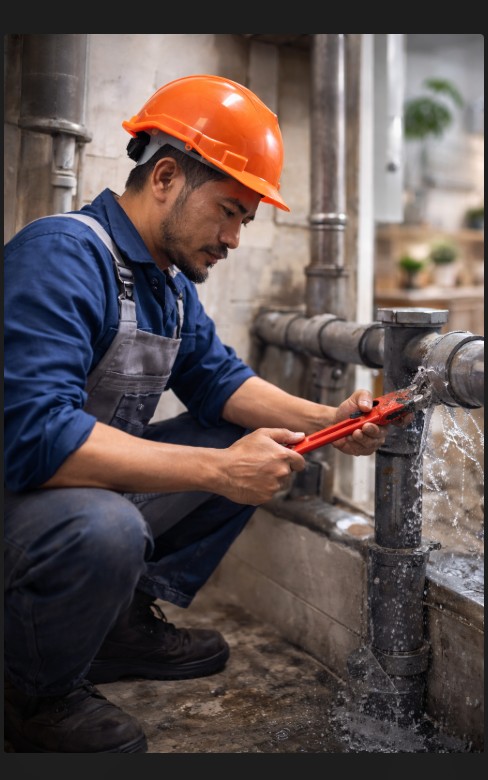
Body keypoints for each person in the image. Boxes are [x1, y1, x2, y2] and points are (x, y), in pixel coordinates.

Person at [4, 74, 388, 754]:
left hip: (71, 496)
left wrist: (331, 421)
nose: (235, 237)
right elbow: (30, 435)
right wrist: (218, 471)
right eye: (229, 210)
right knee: (107, 524)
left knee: (254, 438)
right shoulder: (63, 254)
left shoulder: (167, 285)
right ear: (166, 177)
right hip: (26, 498)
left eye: (246, 220)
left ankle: (112, 629)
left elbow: (220, 382)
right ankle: (31, 694)